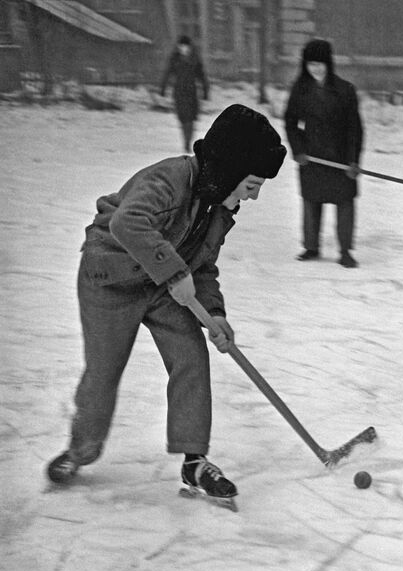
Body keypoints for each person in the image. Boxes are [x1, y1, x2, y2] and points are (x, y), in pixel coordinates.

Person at [46, 105, 287, 503]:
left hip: (163, 286)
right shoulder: (170, 178)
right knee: (104, 370)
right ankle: (80, 450)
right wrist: (176, 274)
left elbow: (204, 265)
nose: (254, 195)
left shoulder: (219, 210)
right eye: (251, 184)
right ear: (227, 171)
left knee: (192, 357)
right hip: (110, 278)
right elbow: (128, 223)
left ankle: (195, 461)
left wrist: (215, 315)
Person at [284, 38, 364, 268]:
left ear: (328, 63)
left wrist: (353, 160)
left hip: (340, 157)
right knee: (311, 202)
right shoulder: (300, 90)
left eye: (319, 64)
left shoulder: (345, 90)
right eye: (311, 64)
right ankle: (311, 247)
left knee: (345, 203)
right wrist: (298, 149)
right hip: (312, 157)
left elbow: (355, 129)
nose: (315, 68)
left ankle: (346, 251)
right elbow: (290, 122)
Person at [159, 35, 209, 153]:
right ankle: (186, 141)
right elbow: (168, 73)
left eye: (186, 46)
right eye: (181, 46)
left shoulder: (195, 59)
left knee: (190, 119)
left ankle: (188, 142)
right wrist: (163, 88)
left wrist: (206, 90)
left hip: (191, 92)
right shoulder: (175, 59)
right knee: (183, 119)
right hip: (179, 93)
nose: (184, 48)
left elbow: (202, 76)